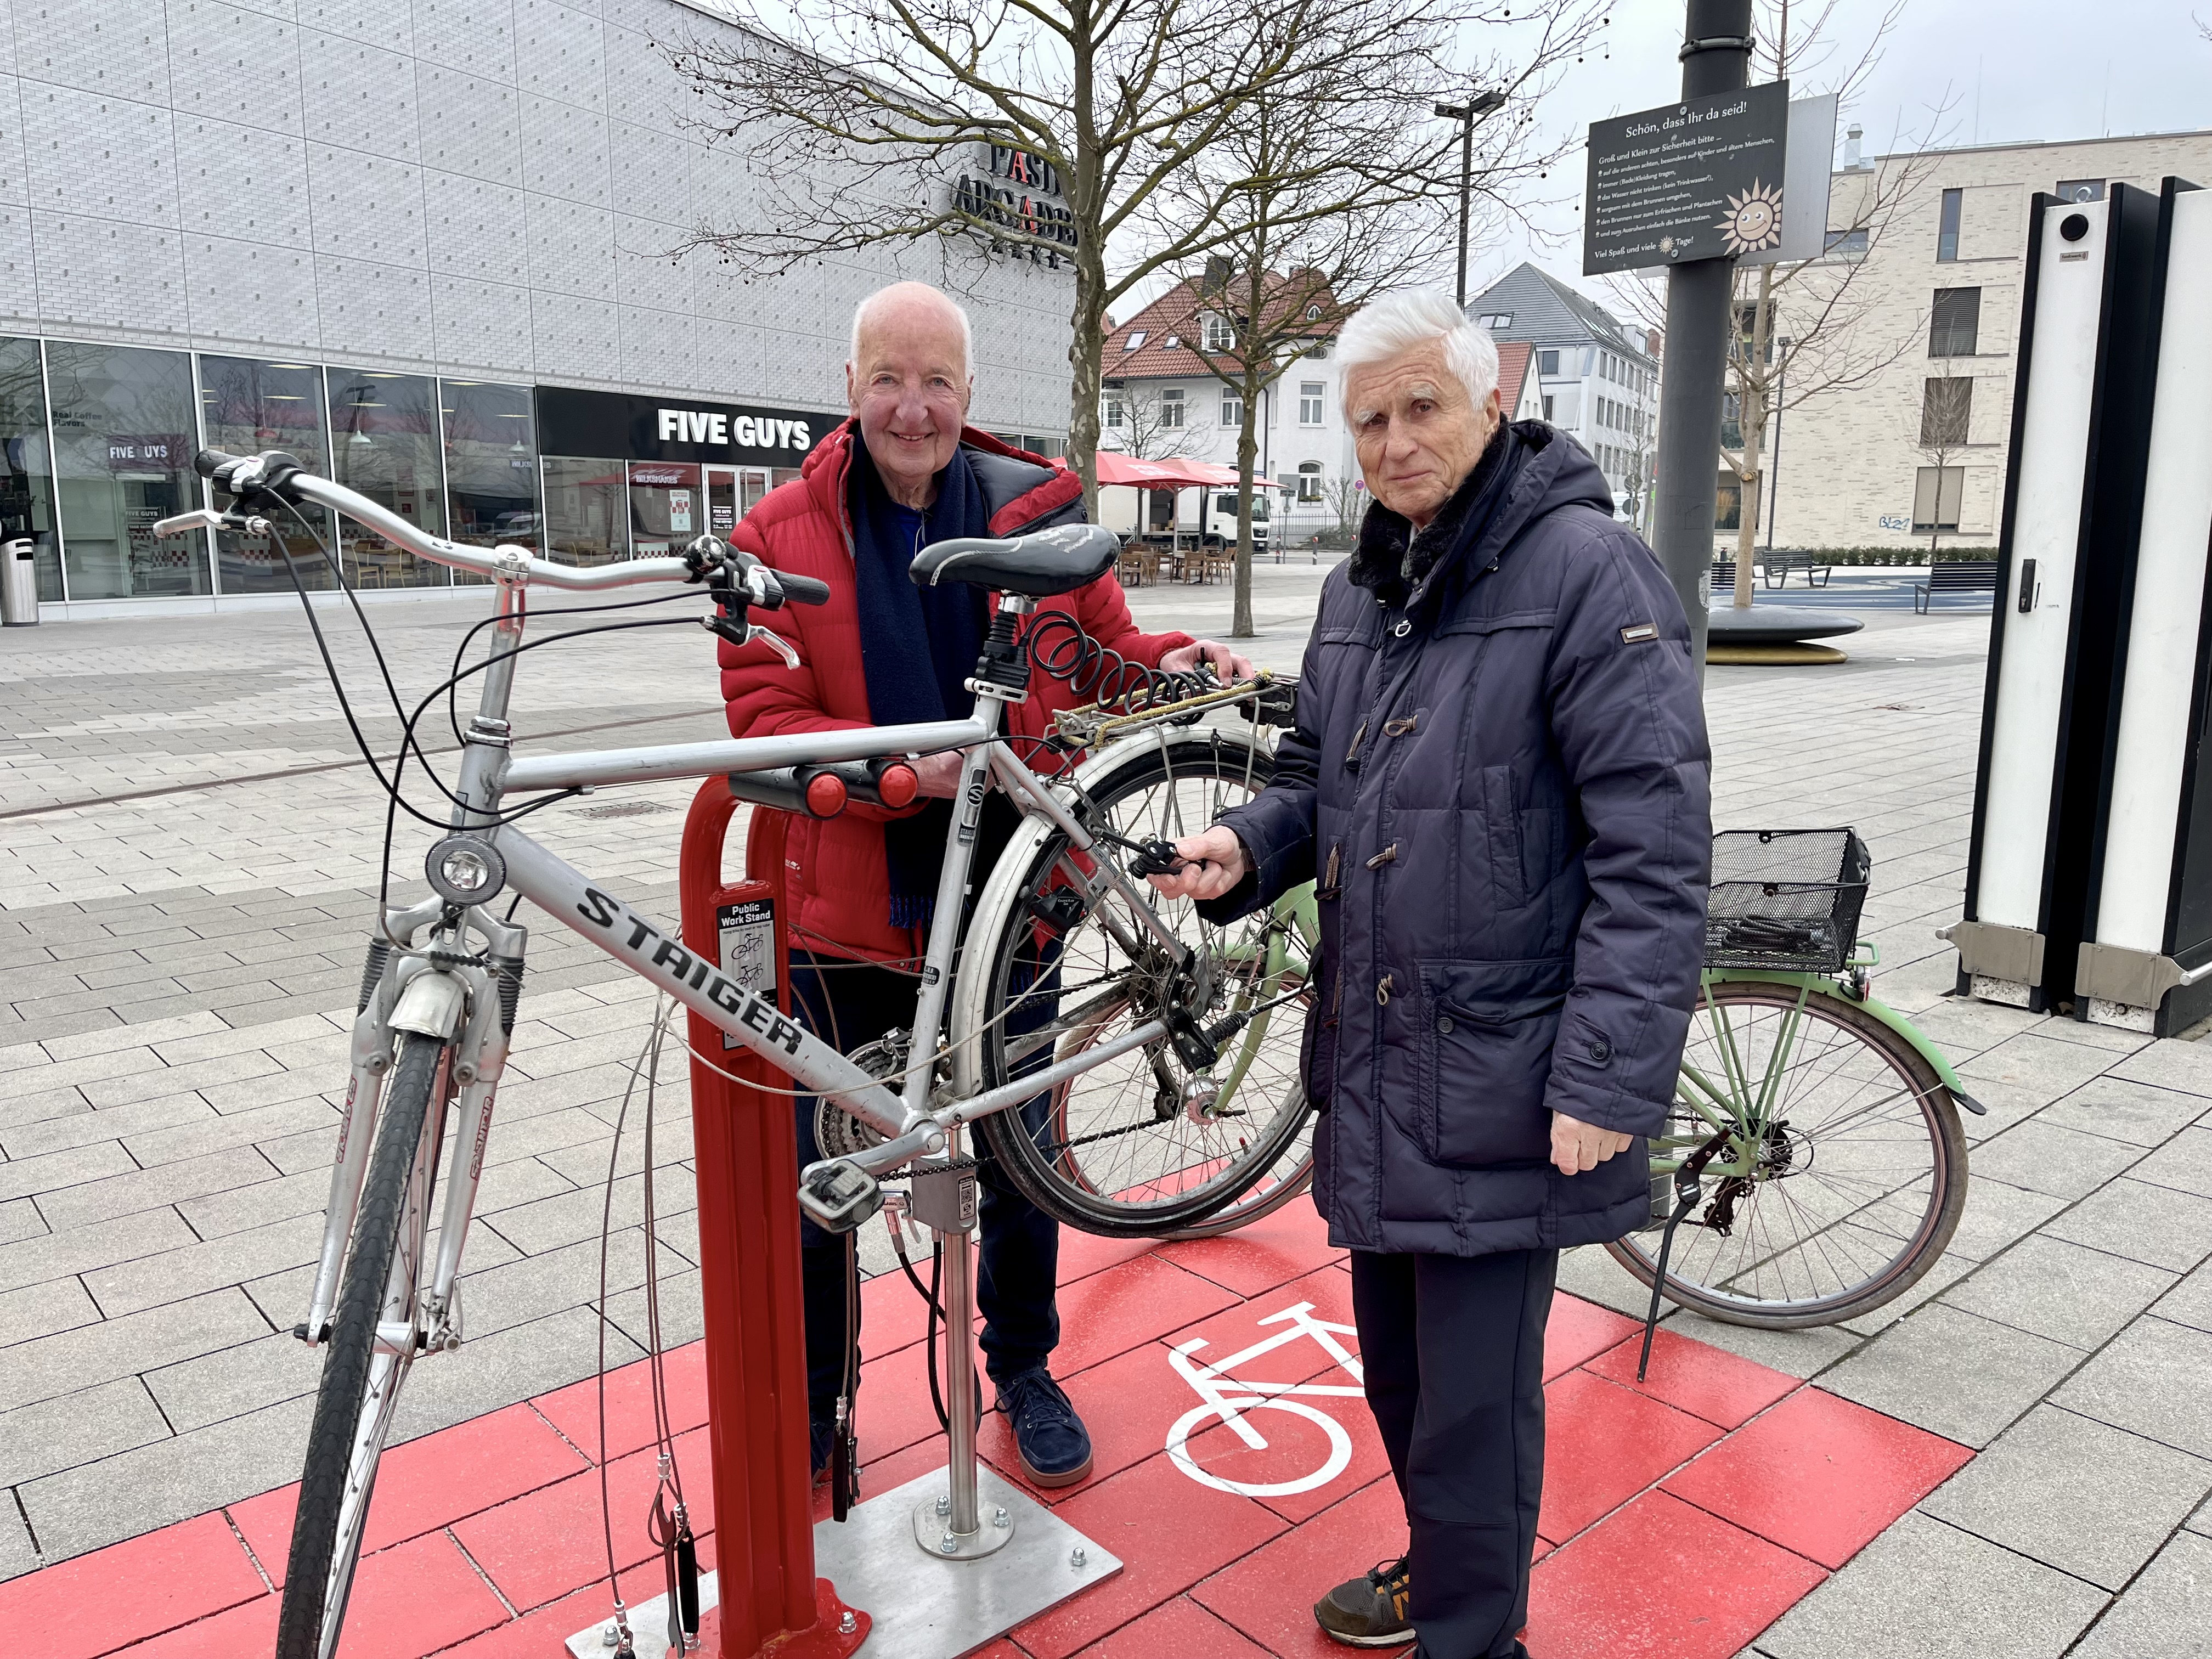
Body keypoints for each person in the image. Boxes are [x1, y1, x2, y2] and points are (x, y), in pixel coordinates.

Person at [1149, 290, 1710, 1658]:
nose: (1395, 443)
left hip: (1506, 1073)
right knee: (1402, 1385)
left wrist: (1609, 1079)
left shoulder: (1589, 572)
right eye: (1369, 422)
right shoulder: (1362, 590)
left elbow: (1654, 849)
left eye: (1422, 410)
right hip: (1380, 1062)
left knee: (1475, 1410)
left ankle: (1476, 1635)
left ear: (1491, 407)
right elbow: (1313, 781)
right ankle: (1442, 1577)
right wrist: (1249, 843)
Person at [718, 280, 1254, 1489]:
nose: (914, 408)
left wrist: (1182, 663)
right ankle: (819, 1402)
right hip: (847, 915)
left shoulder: (1041, 512)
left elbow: (1107, 660)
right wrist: (894, 776)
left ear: (970, 391)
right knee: (825, 1172)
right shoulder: (775, 540)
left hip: (1014, 901)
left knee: (1021, 1153)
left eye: (938, 381)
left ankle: (1023, 1365)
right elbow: (763, 716)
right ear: (849, 387)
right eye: (888, 380)